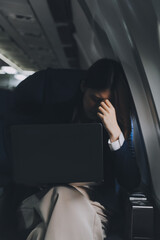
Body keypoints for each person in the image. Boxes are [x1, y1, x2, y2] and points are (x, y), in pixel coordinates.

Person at [16, 59, 140, 240]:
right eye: (95, 99)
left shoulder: (116, 126)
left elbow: (131, 181)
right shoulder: (55, 114)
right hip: (46, 194)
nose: (99, 107)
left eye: (106, 102)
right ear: (83, 87)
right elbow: (29, 163)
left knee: (49, 221)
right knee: (60, 193)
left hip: (94, 202)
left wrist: (114, 133)